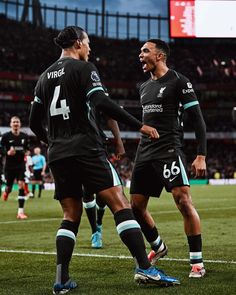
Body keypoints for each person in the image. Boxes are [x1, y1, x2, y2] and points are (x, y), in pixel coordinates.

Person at [29, 26, 180, 294]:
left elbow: (33, 122)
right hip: (87, 148)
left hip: (58, 153)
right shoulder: (85, 69)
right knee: (120, 203)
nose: (90, 48)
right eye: (87, 43)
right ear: (78, 43)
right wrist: (139, 125)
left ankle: (61, 279)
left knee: (70, 214)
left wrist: (51, 141)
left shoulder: (43, 77)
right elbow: (101, 101)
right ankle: (145, 268)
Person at [130, 39, 207, 278]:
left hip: (169, 150)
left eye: (145, 51)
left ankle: (197, 263)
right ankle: (158, 246)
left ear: (160, 55)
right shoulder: (143, 87)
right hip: (145, 152)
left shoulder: (179, 81)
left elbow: (198, 120)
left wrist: (201, 155)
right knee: (136, 207)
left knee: (183, 201)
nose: (140, 55)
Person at [83, 113, 125, 249]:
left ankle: (99, 223)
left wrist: (118, 141)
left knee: (103, 193)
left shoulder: (95, 92)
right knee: (86, 191)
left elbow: (110, 115)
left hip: (98, 144)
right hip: (77, 147)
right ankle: (95, 231)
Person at [1, 116, 30, 219]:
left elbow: (27, 149)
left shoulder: (25, 136)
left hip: (20, 165)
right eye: (14, 122)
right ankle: (6, 192)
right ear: (10, 124)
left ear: (20, 124)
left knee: (21, 185)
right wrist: (7, 152)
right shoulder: (5, 137)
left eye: (17, 122)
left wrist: (27, 152)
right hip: (9, 166)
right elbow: (1, 150)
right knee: (9, 187)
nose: (15, 124)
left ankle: (20, 212)